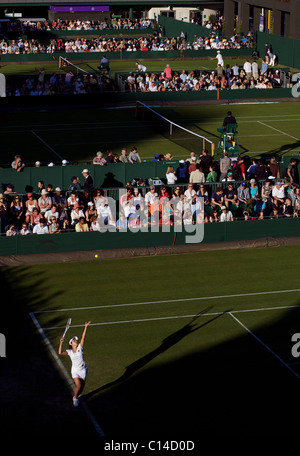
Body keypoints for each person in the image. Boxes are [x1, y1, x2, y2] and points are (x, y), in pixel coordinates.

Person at [58, 321, 91, 407]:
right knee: (79, 386)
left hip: (83, 369)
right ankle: (75, 398)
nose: (76, 340)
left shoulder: (80, 347)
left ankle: (78, 395)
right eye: (74, 340)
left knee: (82, 388)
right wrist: (61, 342)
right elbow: (60, 352)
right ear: (71, 344)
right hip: (75, 371)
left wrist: (85, 327)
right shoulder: (69, 352)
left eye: (76, 340)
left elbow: (83, 338)